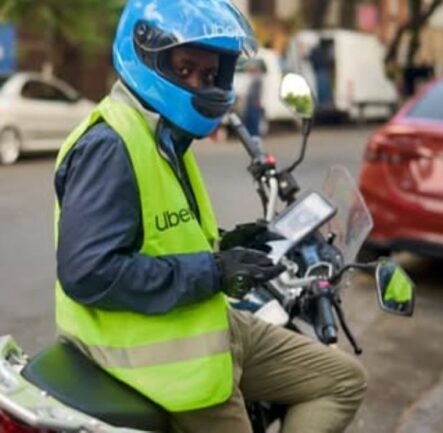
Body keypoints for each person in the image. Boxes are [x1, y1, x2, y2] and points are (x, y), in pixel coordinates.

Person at [53, 1, 367, 432]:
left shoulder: (163, 135)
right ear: (148, 56)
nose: (199, 83)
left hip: (209, 322)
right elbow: (88, 272)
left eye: (209, 74)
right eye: (185, 70)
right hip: (156, 362)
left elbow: (163, 235)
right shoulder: (112, 144)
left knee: (343, 380)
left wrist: (230, 245)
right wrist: (214, 271)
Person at [244, 59, 266, 137]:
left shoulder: (257, 78)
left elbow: (258, 91)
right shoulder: (254, 77)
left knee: (254, 118)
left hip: (254, 100)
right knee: (250, 118)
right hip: (251, 100)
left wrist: (258, 100)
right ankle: (251, 134)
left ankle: (254, 134)